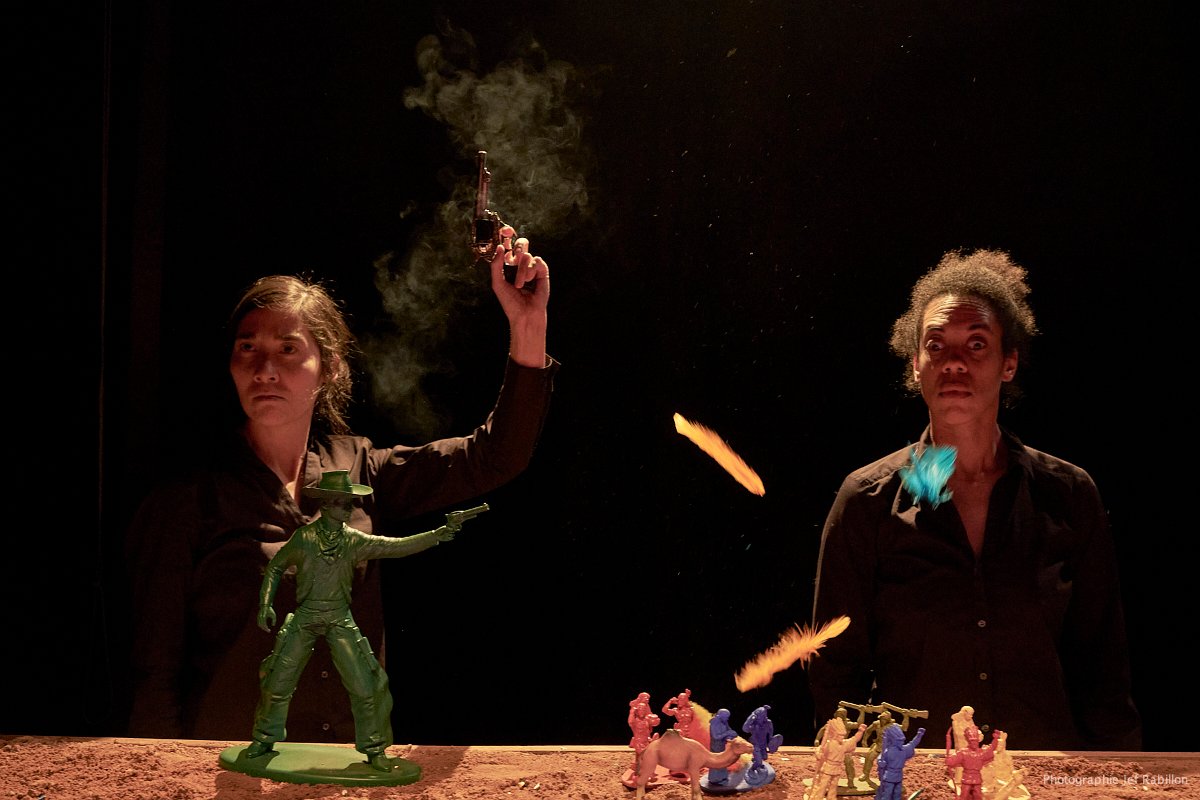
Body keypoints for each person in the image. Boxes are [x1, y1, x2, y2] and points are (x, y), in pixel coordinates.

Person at [126, 234, 556, 742]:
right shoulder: (188, 500)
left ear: (328, 367)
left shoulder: (360, 469)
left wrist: (527, 325)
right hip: (231, 770)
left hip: (346, 768)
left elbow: (495, 456)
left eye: (288, 349)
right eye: (248, 347)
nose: (265, 370)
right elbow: (153, 676)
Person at [809, 248, 1141, 751]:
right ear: (915, 365)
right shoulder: (867, 501)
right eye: (936, 345)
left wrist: (1117, 779)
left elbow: (1104, 673)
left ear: (1009, 363)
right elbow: (836, 674)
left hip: (1041, 776)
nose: (954, 362)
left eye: (977, 344)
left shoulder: (1069, 495)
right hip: (914, 777)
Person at [245, 470, 484, 770]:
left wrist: (436, 534)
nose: (349, 509)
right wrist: (265, 603)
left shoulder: (353, 540)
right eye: (343, 503)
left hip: (338, 616)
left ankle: (374, 748)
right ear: (327, 505)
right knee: (278, 679)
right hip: (306, 615)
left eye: (350, 503)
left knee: (366, 685)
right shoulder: (304, 538)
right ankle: (264, 738)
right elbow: (276, 566)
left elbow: (394, 546)